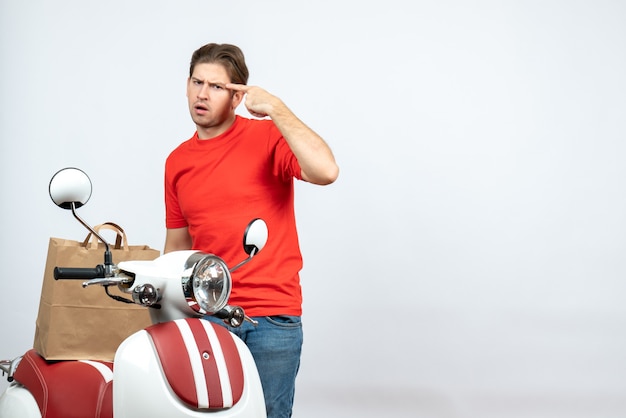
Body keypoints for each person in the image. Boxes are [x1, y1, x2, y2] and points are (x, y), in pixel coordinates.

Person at [163, 43, 339, 418]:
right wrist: (170, 319)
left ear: (237, 94)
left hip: (272, 318)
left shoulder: (267, 137)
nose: (202, 94)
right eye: (197, 82)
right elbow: (177, 247)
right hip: (208, 317)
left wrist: (275, 107)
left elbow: (326, 170)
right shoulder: (177, 162)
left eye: (216, 86)